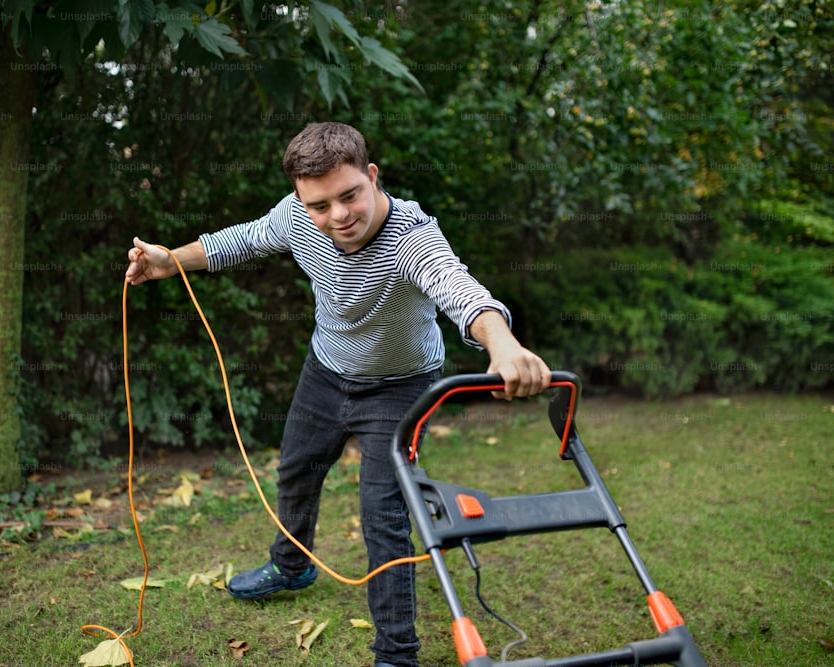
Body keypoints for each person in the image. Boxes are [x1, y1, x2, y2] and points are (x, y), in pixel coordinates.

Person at [125, 122, 551, 667]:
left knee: (384, 514)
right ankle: (291, 564)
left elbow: (458, 288)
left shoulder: (412, 238)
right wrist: (168, 261)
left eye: (349, 195)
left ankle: (396, 652)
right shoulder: (299, 217)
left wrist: (505, 345)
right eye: (320, 205)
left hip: (402, 389)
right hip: (326, 372)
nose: (338, 216)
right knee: (296, 471)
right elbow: (240, 240)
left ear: (371, 177)